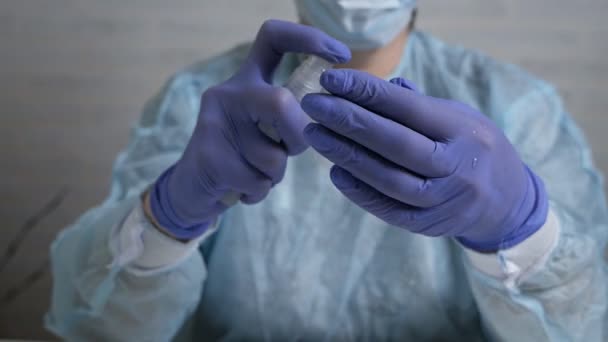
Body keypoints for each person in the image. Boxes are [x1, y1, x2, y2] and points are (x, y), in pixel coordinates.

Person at [45, 1, 608, 341]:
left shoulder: (514, 105)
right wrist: (169, 215)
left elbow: (586, 328)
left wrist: (521, 228)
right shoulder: (202, 101)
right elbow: (98, 328)